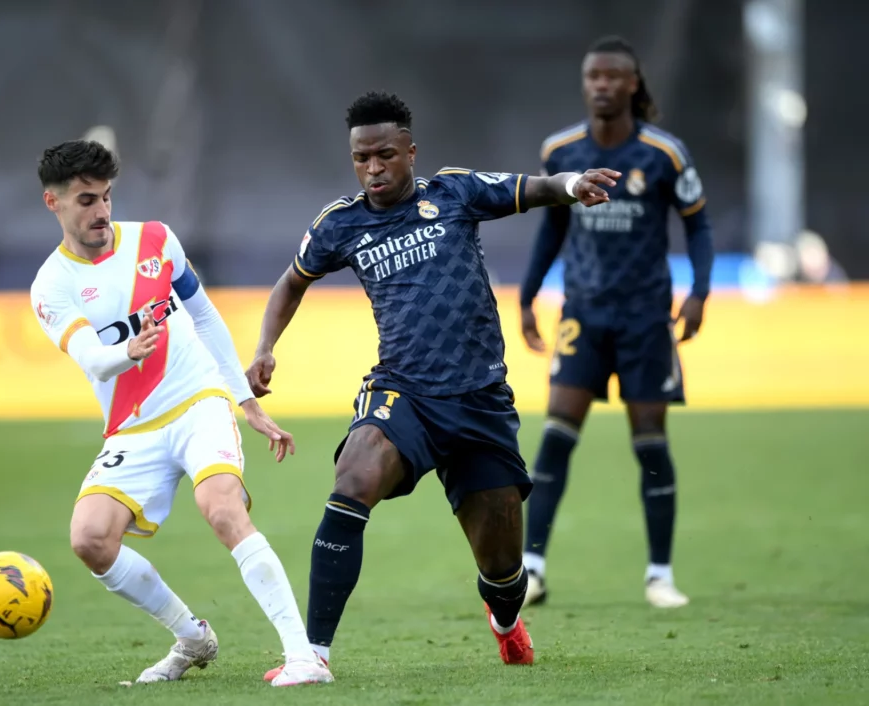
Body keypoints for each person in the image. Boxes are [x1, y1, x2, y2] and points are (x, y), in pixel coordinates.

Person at [245, 91, 618, 677]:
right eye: (362, 158)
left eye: (385, 155)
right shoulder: (339, 224)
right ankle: (312, 654)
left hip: (479, 399)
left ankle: (504, 620)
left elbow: (536, 188)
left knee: (503, 571)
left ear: (411, 152)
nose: (373, 169)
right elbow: (292, 282)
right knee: (354, 479)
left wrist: (573, 185)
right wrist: (265, 347)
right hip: (403, 391)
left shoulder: (454, 193)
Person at [29, 140, 332, 687]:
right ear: (54, 202)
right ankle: (192, 636)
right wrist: (129, 350)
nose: (101, 211)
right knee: (90, 538)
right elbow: (93, 360)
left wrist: (244, 401)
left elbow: (206, 317)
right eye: (86, 200)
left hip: (198, 401)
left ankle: (304, 657)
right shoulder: (51, 285)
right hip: (132, 426)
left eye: (107, 197)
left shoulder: (155, 239)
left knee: (221, 508)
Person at [518, 36, 714, 609]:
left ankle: (660, 576)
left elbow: (698, 225)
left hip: (646, 317)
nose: (601, 84)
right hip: (583, 313)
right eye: (592, 76)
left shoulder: (663, 154)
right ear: (585, 84)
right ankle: (532, 570)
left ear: (632, 84)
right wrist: (527, 296)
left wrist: (700, 292)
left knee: (650, 440)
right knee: (556, 434)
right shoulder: (561, 151)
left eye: (611, 76)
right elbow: (552, 227)